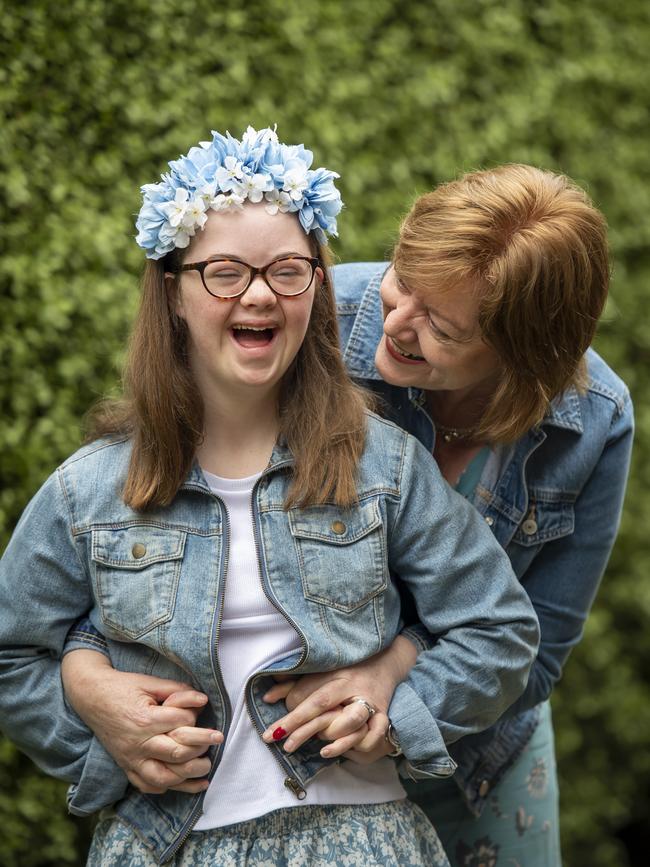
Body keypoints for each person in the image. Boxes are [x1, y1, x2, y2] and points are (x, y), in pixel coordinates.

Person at [61, 162, 632, 866]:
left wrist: (394, 670)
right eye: (403, 282)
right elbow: (164, 536)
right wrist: (83, 673)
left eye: (443, 329)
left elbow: (533, 652)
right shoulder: (308, 324)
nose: (397, 323)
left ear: (518, 357)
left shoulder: (593, 421)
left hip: (478, 737)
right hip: (298, 768)